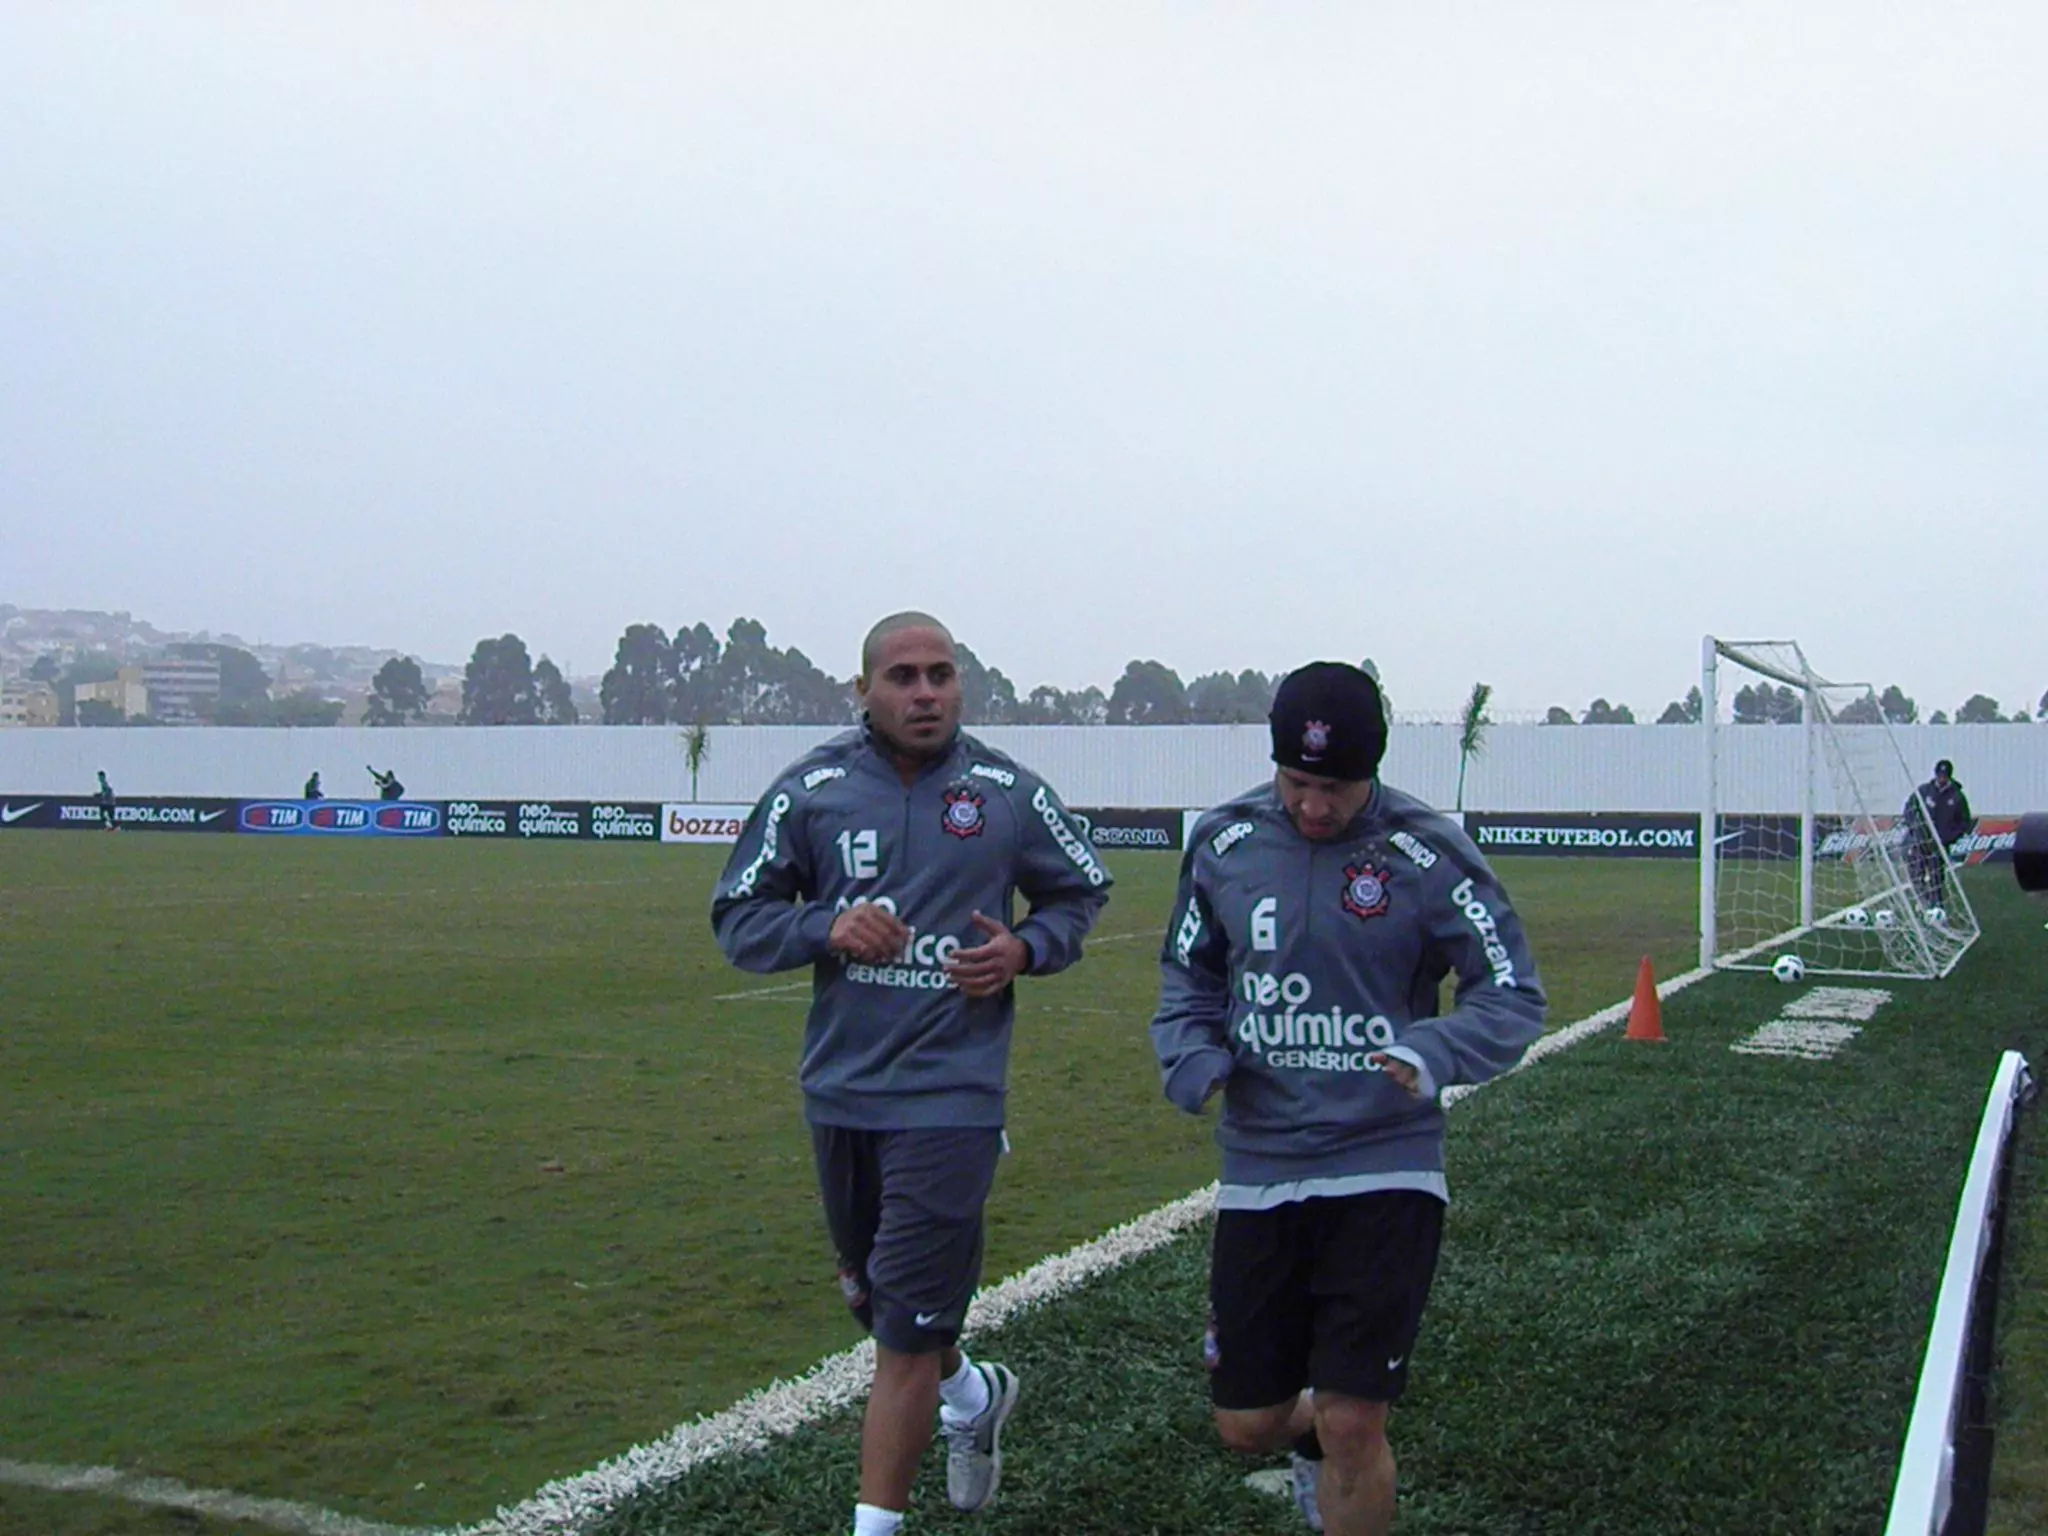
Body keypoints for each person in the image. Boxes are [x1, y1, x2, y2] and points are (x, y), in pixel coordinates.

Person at [711, 612, 1112, 1536]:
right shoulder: (810, 791)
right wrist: (824, 927)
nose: (924, 692)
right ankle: (973, 1396)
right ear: (864, 691)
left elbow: (1081, 887)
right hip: (842, 1090)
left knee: (898, 1342)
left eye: (940, 674)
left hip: (953, 1094)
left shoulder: (1006, 791)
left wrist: (1027, 947)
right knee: (880, 1304)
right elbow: (738, 916)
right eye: (902, 676)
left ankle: (877, 1525)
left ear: (961, 685)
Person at [1149, 661, 1547, 1536]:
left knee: (1352, 1417)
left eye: (1335, 788)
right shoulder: (1224, 843)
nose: (1314, 806)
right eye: (1297, 783)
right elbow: (1189, 977)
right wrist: (1191, 1056)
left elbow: (1513, 994)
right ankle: (1304, 1440)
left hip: (1386, 1164)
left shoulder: (1427, 852)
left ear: (1371, 772)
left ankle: (1334, 1444)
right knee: (1246, 1423)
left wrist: (1432, 1047)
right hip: (1262, 1166)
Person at [1904, 758, 1972, 910]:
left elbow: (1964, 822)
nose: (1941, 779)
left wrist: (1951, 837)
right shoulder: (1924, 791)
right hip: (1921, 841)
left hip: (1941, 844)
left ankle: (1938, 906)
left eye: (1944, 776)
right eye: (1939, 775)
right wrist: (1914, 829)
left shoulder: (1957, 797)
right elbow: (1909, 808)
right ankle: (1921, 902)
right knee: (1917, 873)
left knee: (1937, 876)